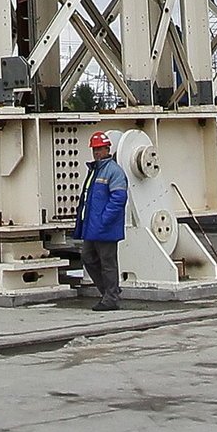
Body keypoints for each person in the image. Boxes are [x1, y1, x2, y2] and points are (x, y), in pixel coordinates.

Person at [77, 130, 130, 311]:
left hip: (104, 227)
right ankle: (109, 292)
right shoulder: (95, 170)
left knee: (108, 262)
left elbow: (118, 199)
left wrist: (104, 220)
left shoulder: (113, 171)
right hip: (94, 227)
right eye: (95, 149)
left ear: (108, 149)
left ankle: (110, 297)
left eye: (100, 149)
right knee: (88, 257)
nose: (97, 152)